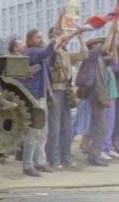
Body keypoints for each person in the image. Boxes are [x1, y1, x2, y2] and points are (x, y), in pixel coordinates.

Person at [22, 29, 72, 177]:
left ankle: (40, 162)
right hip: (35, 96)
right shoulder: (31, 52)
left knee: (43, 132)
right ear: (30, 40)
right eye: (38, 37)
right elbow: (45, 53)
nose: (40, 39)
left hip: (41, 95)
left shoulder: (36, 52)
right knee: (35, 132)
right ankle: (28, 165)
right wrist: (60, 37)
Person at [45, 23, 88, 170]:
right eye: (64, 39)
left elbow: (84, 55)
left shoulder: (66, 54)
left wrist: (81, 39)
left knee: (66, 127)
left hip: (66, 91)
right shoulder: (52, 52)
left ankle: (66, 157)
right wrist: (59, 37)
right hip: (56, 91)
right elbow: (53, 48)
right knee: (55, 127)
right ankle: (54, 159)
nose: (67, 41)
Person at [75, 23, 118, 167]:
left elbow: (113, 59)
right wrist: (112, 30)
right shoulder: (92, 57)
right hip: (97, 95)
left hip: (101, 94)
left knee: (102, 126)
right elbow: (106, 47)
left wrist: (115, 40)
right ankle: (94, 156)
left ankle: (96, 154)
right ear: (92, 46)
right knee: (101, 126)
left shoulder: (99, 59)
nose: (99, 45)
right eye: (96, 44)